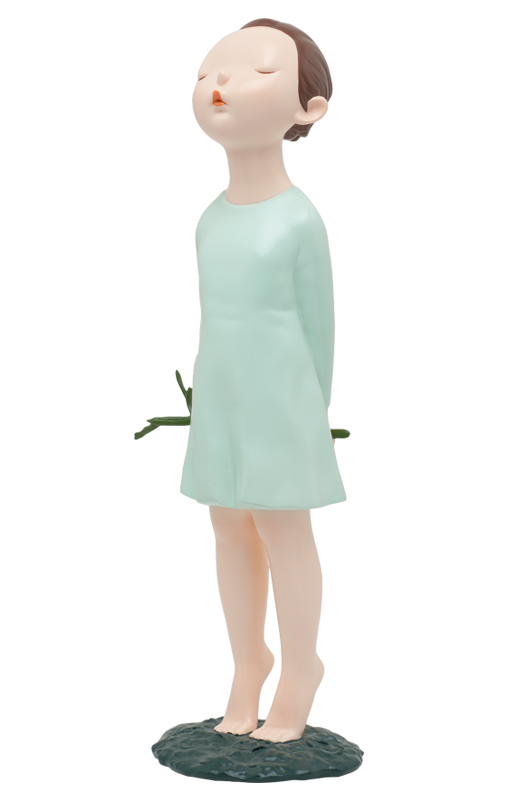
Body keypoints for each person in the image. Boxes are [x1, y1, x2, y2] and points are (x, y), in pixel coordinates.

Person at [181, 19, 345, 743]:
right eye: (208, 71)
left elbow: (320, 327)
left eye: (257, 70)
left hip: (282, 402)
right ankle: (249, 662)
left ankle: (301, 667)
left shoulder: (299, 220)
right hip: (220, 397)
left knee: (282, 525)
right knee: (227, 525)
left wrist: (312, 419)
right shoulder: (209, 221)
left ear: (309, 109)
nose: (221, 82)